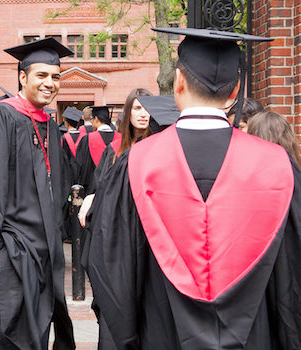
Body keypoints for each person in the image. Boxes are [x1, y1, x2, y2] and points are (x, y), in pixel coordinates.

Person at [88, 27, 301, 349]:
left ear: (178, 83)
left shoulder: (136, 164)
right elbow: (293, 282)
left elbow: (113, 278)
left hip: (159, 337)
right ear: (237, 90)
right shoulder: (278, 166)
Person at [0, 37, 75, 350]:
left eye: (55, 77)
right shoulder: (1, 117)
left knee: (42, 328)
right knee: (18, 333)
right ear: (22, 77)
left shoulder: (49, 126)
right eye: (41, 75)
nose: (50, 83)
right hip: (14, 248)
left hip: (46, 248)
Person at [75, 105, 121, 196]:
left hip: (93, 192)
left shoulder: (87, 139)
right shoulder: (122, 138)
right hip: (117, 190)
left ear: (96, 119)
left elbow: (80, 168)